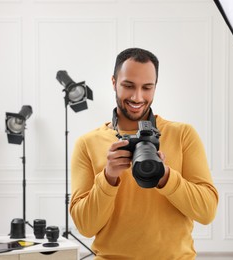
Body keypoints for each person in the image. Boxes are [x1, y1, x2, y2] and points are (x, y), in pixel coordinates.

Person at [69, 47, 218, 259]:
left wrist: (166, 176)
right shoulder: (87, 143)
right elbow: (85, 226)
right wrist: (108, 178)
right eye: (128, 86)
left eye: (147, 87)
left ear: (155, 87)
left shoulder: (183, 134)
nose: (137, 97)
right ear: (114, 82)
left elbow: (206, 212)